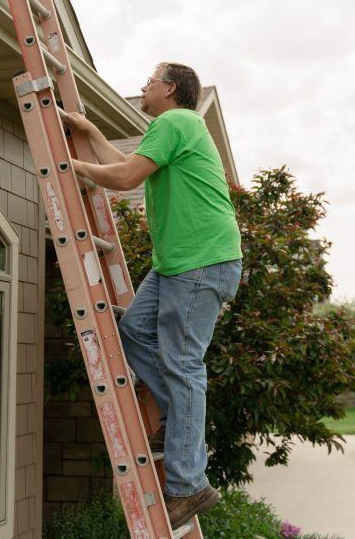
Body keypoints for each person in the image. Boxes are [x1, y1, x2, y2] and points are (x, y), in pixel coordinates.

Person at [65, 62, 242, 530]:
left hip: (201, 262)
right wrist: (91, 130)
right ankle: (182, 429)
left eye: (150, 79)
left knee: (184, 365)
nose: (142, 85)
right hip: (177, 265)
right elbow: (129, 169)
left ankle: (188, 485)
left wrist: (67, 166)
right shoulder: (170, 129)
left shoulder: (177, 121)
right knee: (134, 330)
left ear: (169, 89)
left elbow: (122, 180)